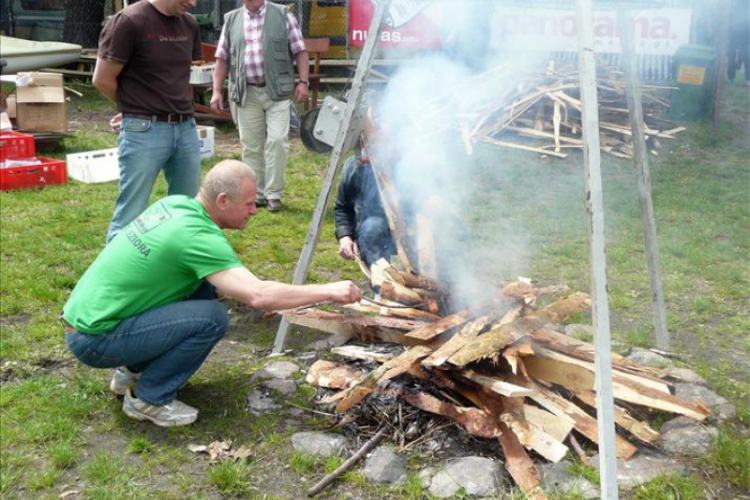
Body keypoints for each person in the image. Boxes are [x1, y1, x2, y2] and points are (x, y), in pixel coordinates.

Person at [61, 160, 362, 427]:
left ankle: (132, 371)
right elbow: (257, 295)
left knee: (206, 288)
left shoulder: (176, 204)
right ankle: (148, 398)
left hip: (88, 318)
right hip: (95, 339)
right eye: (247, 204)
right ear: (222, 200)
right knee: (211, 318)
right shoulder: (197, 236)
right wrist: (329, 290)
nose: (254, 211)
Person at [93, 0, 203, 243]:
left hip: (186, 128)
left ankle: (178, 270)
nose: (193, 3)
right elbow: (102, 79)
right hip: (144, 130)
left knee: (186, 210)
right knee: (131, 212)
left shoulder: (189, 24)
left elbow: (176, 76)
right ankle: (117, 277)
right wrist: (132, 108)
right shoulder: (129, 21)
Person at [210, 0, 309, 212]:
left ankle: (274, 194)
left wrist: (303, 82)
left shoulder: (283, 15)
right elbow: (222, 58)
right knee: (251, 146)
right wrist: (217, 90)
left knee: (277, 140)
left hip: (277, 91)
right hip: (247, 92)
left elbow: (300, 51)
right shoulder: (232, 19)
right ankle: (257, 195)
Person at [334, 147, 395, 269]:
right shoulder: (356, 166)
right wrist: (345, 236)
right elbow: (343, 208)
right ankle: (381, 280)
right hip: (376, 226)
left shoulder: (414, 162)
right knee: (370, 230)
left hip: (411, 225)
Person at [728, 0, 750, 85]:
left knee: (747, 56)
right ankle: (732, 79)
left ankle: (747, 79)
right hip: (735, 32)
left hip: (745, 33)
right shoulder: (734, 4)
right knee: (732, 56)